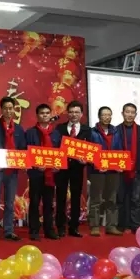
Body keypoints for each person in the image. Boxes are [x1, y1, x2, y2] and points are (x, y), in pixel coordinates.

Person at [0, 97, 27, 241]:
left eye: (11, 108)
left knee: (10, 202)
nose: (8, 111)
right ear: (1, 110)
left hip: (12, 170)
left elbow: (22, 148)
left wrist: (21, 160)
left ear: (14, 110)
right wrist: (0, 159)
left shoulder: (19, 129)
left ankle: (9, 230)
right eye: (5, 108)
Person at [51, 100, 90, 237]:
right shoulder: (59, 128)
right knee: (61, 197)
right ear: (67, 113)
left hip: (77, 169)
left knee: (76, 198)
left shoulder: (87, 130)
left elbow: (91, 150)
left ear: (81, 114)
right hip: (62, 168)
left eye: (77, 112)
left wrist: (86, 159)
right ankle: (60, 226)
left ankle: (74, 227)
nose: (74, 114)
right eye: (71, 112)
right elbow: (55, 146)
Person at [25, 103, 60, 241]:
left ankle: (49, 230)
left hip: (51, 174)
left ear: (50, 115)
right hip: (36, 174)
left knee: (49, 203)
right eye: (42, 113)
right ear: (37, 116)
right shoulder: (30, 133)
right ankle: (34, 230)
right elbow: (26, 153)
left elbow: (60, 153)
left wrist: (58, 166)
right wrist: (35, 165)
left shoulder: (56, 133)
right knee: (34, 202)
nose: (45, 115)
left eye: (47, 113)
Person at [87, 106, 124, 237]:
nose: (107, 117)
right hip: (97, 171)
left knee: (112, 199)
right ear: (99, 116)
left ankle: (111, 226)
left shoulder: (116, 132)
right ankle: (94, 226)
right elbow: (89, 152)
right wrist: (96, 164)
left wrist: (121, 164)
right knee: (96, 199)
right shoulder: (92, 132)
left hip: (113, 170)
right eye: (104, 115)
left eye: (109, 115)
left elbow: (120, 150)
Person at [116, 103, 140, 234]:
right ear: (122, 113)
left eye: (132, 112)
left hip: (137, 170)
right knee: (120, 199)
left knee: (135, 200)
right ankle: (120, 225)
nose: (130, 115)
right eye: (127, 112)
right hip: (120, 171)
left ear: (135, 115)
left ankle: (135, 226)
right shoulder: (116, 130)